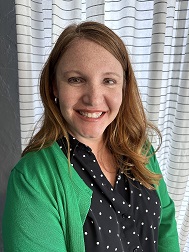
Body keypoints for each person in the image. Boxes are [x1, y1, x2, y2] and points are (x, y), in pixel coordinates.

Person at [2, 21, 179, 252]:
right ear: (55, 86)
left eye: (109, 80)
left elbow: (165, 225)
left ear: (124, 87)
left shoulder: (140, 150)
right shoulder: (33, 180)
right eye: (76, 79)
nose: (94, 99)